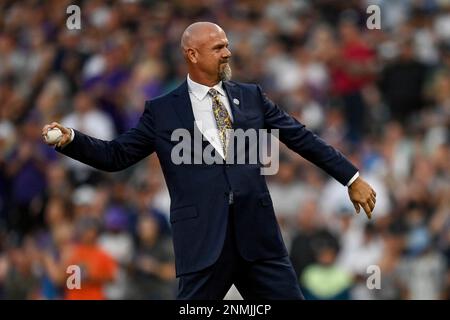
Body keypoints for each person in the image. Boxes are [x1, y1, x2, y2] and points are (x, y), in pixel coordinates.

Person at [42, 22, 376, 300]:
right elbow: (116, 156)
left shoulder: (252, 96)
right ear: (192, 54)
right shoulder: (162, 111)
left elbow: (301, 137)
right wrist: (73, 138)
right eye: (217, 48)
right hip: (202, 243)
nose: (227, 52)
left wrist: (351, 178)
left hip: (258, 240)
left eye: (226, 45)